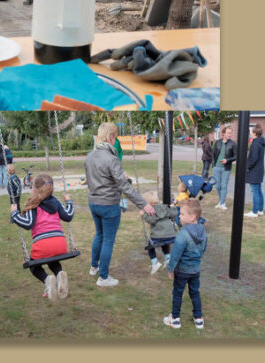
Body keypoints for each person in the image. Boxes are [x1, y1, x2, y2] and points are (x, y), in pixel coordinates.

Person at [84, 122, 156, 287]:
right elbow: (124, 186)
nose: (115, 139)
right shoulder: (111, 158)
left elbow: (95, 180)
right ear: (111, 137)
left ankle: (94, 267)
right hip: (108, 204)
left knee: (99, 235)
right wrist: (143, 204)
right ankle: (103, 277)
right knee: (108, 239)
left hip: (94, 202)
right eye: (115, 136)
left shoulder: (89, 156)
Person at [9, 174, 74, 301]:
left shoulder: (33, 204)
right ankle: (59, 274)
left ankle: (47, 280)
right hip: (60, 244)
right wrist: (69, 202)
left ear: (34, 188)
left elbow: (28, 224)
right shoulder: (56, 202)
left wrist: (14, 214)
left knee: (34, 266)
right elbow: (68, 216)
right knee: (53, 259)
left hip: (43, 245)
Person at [163, 198, 207, 330]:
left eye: (182, 214)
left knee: (177, 292)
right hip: (196, 269)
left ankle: (175, 319)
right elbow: (204, 248)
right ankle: (198, 319)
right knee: (195, 292)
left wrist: (170, 268)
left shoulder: (183, 233)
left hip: (182, 270)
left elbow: (176, 253)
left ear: (192, 217)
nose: (179, 216)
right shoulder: (203, 230)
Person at [140, 191, 178, 275]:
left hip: (157, 236)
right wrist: (173, 207)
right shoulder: (165, 206)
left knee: (150, 247)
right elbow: (174, 214)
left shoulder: (150, 210)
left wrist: (143, 215)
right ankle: (167, 257)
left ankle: (155, 263)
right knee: (165, 243)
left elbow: (151, 220)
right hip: (170, 235)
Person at [212, 126, 236, 209]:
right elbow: (213, 154)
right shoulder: (218, 142)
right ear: (223, 133)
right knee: (217, 186)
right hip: (216, 167)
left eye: (231, 133)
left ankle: (222, 203)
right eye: (228, 133)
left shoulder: (233, 144)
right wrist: (213, 165)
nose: (230, 134)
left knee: (224, 185)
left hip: (226, 168)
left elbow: (236, 156)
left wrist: (228, 160)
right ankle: (221, 201)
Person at [245, 126, 265, 217]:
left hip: (254, 171)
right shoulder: (260, 142)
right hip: (259, 170)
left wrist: (247, 167)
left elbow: (254, 159)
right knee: (258, 191)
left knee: (255, 191)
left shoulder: (256, 144)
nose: (250, 133)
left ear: (255, 133)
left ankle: (254, 212)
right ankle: (260, 210)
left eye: (251, 131)